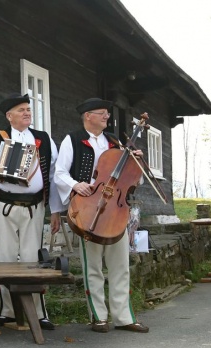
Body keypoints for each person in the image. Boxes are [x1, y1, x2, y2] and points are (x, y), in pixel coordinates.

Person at [54, 98, 149, 334]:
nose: (107, 116)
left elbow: (133, 179)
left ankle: (124, 316)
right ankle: (98, 316)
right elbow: (59, 173)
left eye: (108, 113)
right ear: (88, 115)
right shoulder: (73, 139)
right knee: (92, 266)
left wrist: (136, 161)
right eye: (102, 113)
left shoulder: (115, 142)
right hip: (87, 208)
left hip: (115, 210)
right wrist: (77, 185)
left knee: (120, 265)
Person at [0, 93, 62, 330]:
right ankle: (7, 311)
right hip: (3, 204)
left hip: (35, 205)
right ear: (9, 116)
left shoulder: (44, 139)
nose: (27, 113)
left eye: (28, 109)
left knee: (33, 259)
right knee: (6, 258)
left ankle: (39, 313)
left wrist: (55, 210)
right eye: (21, 110)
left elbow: (53, 175)